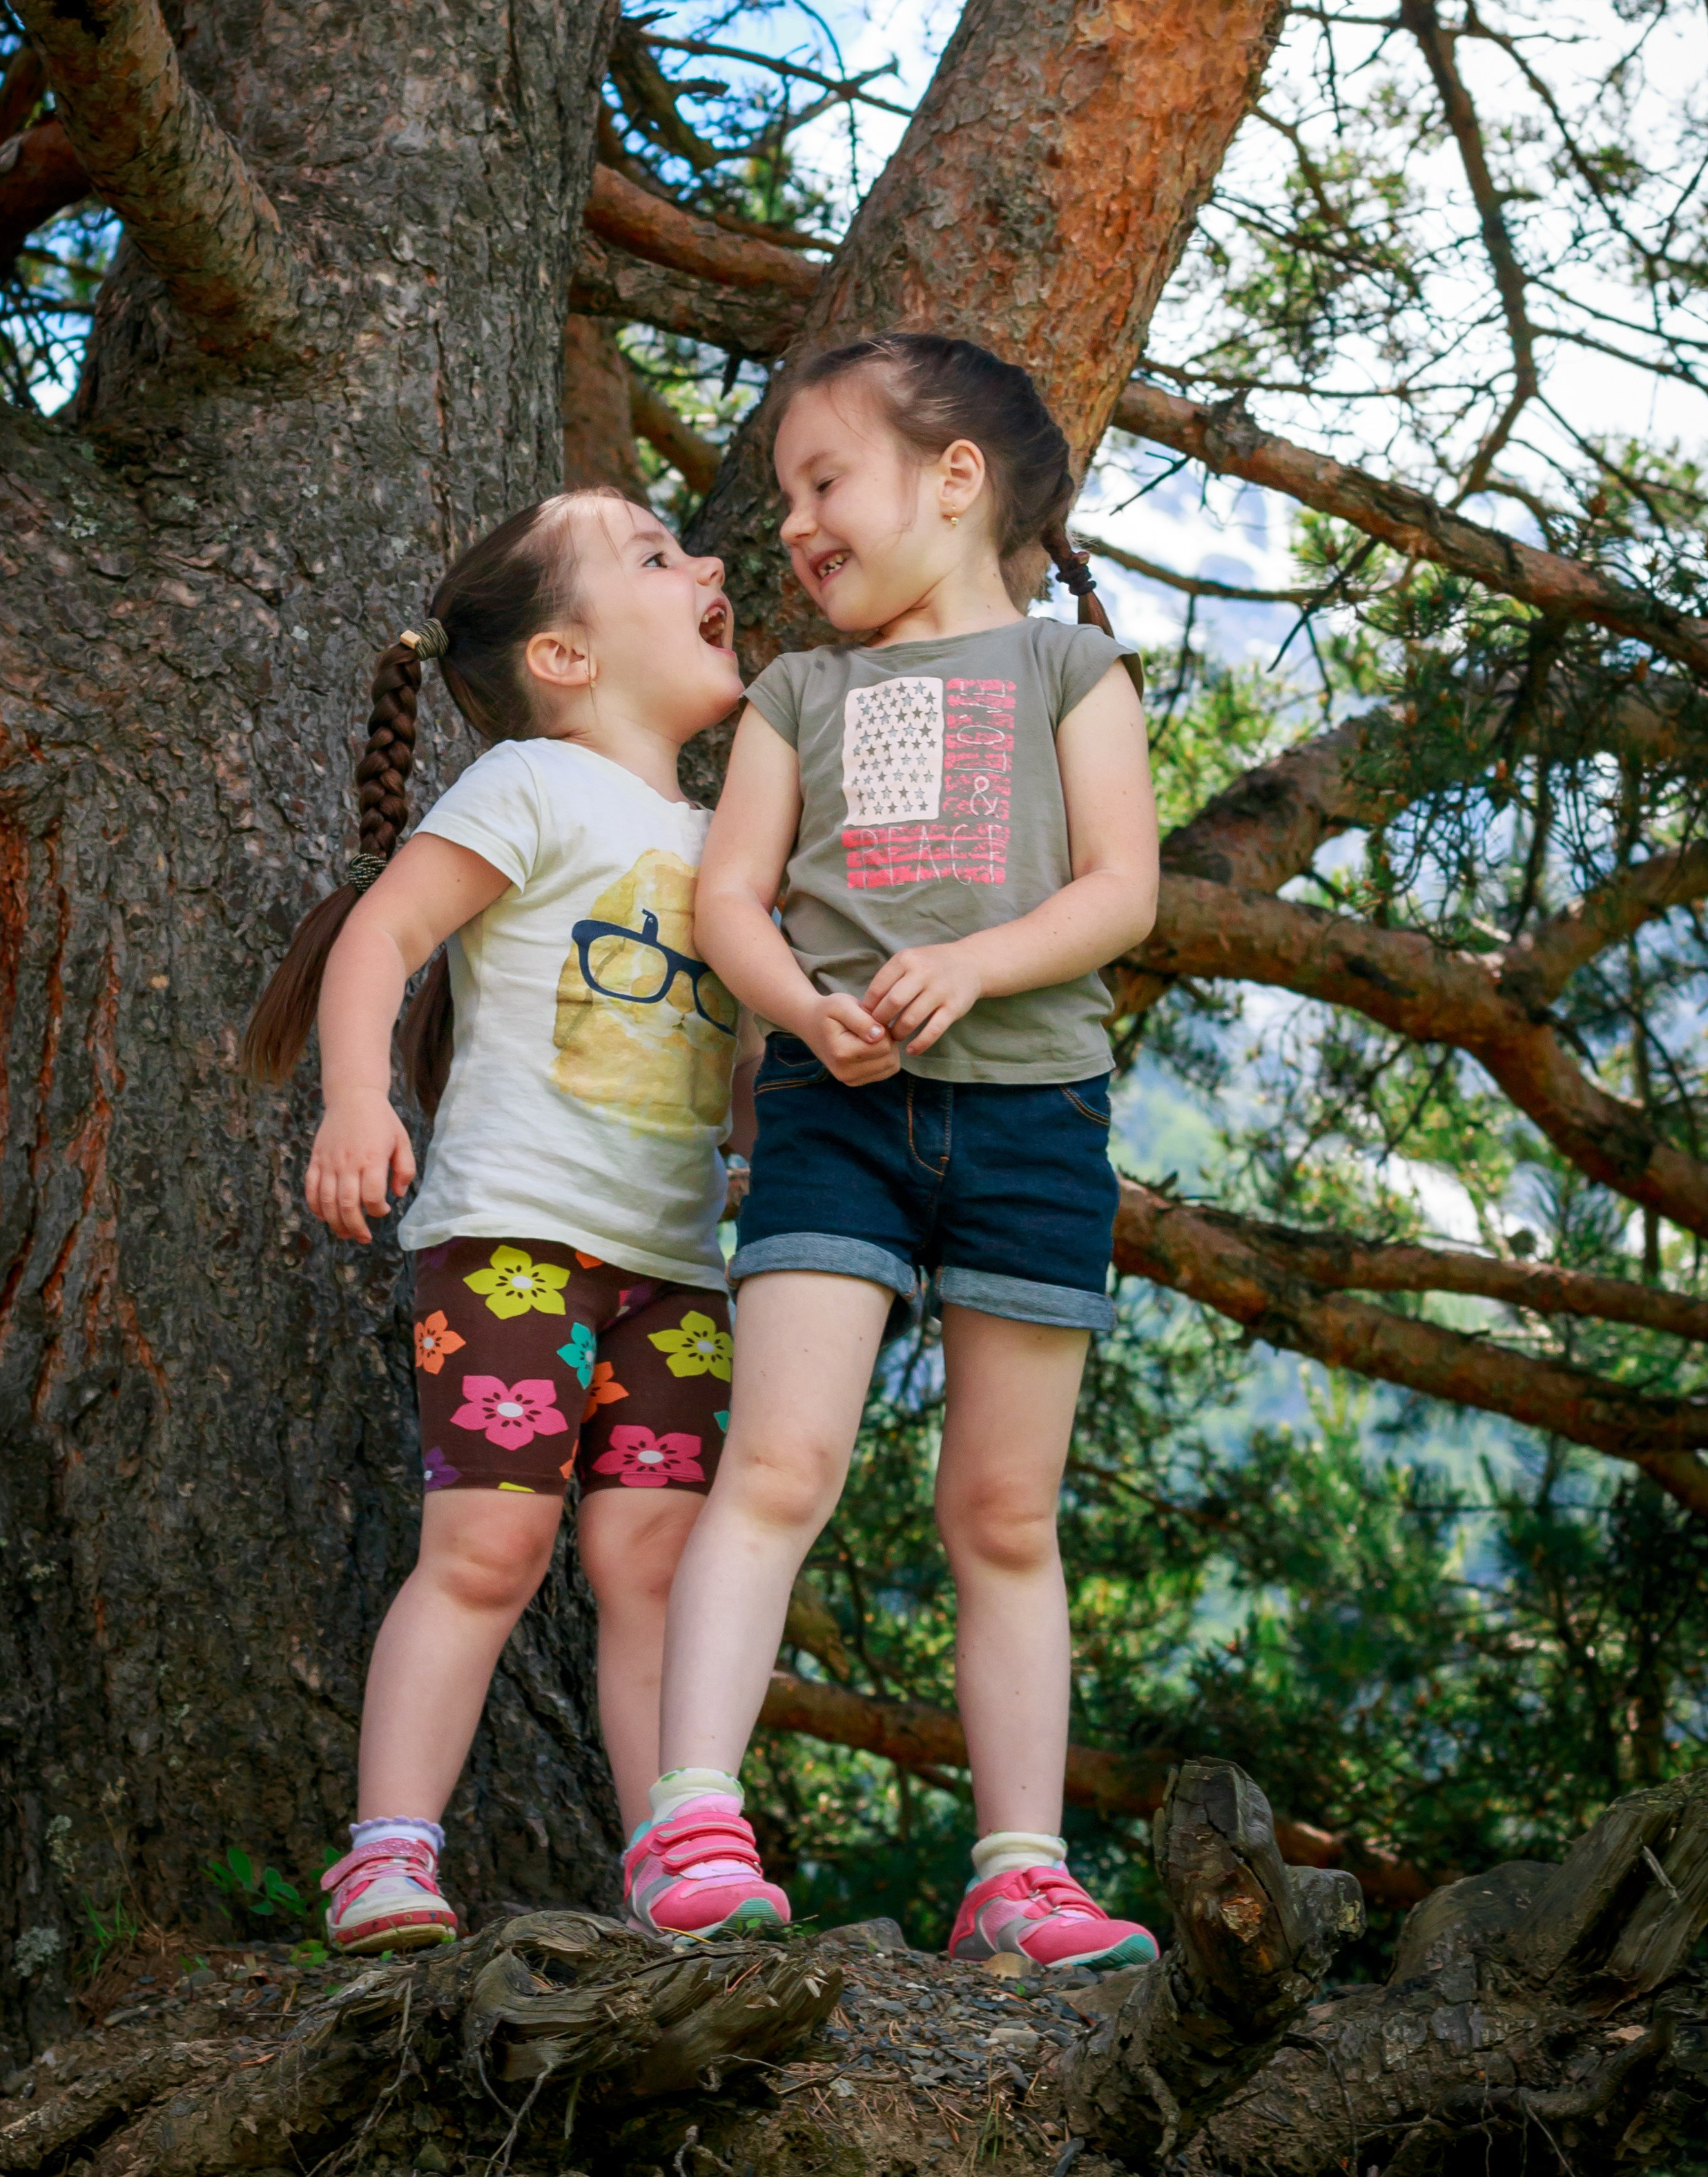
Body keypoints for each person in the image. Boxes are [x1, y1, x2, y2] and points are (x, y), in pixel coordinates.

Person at [635, 333, 1164, 1969]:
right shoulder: (802, 692)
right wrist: (801, 1006)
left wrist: (977, 965)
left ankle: (1020, 1874)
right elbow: (729, 897)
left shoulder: (1074, 674)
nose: (795, 523)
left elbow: (1115, 891)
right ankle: (691, 1824)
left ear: (952, 482)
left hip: (1033, 1121)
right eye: (786, 493)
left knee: (1003, 1510)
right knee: (775, 1466)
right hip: (832, 1115)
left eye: (822, 482)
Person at [242, 489, 753, 1952]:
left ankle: (678, 1850)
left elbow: (747, 1059)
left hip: (677, 1270)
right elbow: (382, 935)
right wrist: (357, 1097)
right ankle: (388, 1856)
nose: (707, 566)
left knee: (653, 1563)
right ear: (566, 658)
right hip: (514, 1242)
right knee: (485, 1552)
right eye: (656, 560)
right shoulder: (531, 783)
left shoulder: (730, 837)